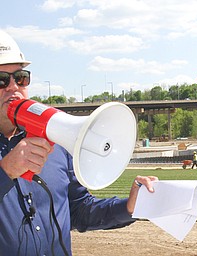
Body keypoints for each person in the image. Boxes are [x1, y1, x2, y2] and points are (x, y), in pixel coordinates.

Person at [0, 30, 158, 256]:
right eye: (1, 80)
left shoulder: (55, 142)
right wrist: (6, 172)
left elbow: (80, 210)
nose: (13, 87)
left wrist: (129, 206)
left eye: (21, 77)